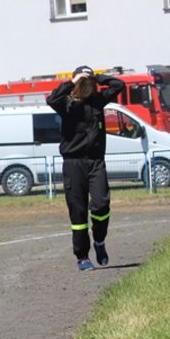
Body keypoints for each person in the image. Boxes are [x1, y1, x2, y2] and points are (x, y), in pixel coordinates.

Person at [46, 65, 124, 271]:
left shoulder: (98, 101)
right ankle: (82, 256)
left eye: (89, 82)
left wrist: (97, 76)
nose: (87, 86)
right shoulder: (66, 103)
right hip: (73, 164)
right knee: (78, 213)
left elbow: (119, 85)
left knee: (101, 205)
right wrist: (73, 81)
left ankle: (99, 240)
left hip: (96, 162)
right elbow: (51, 99)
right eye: (83, 82)